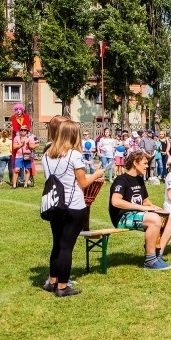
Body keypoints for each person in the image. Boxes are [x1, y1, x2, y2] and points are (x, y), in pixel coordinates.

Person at [43, 120, 107, 296]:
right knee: (66, 247)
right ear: (73, 135)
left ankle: (52, 280)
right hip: (73, 206)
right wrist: (97, 174)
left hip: (55, 204)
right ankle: (62, 286)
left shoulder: (47, 154)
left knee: (57, 244)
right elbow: (83, 182)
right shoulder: (74, 155)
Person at [109, 150, 171, 270]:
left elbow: (146, 202)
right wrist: (143, 208)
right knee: (154, 219)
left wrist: (154, 207)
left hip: (138, 214)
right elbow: (116, 201)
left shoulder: (139, 180)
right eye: (144, 163)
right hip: (122, 217)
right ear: (135, 163)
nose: (147, 166)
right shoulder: (121, 180)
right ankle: (150, 261)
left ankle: (157, 254)